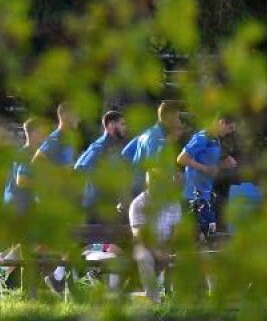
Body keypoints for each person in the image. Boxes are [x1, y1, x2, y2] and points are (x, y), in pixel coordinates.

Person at [0, 117, 48, 289]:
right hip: (18, 206)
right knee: (33, 244)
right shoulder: (27, 153)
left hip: (19, 206)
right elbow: (21, 180)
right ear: (34, 133)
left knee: (24, 246)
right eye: (43, 132)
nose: (45, 135)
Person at [33, 103, 82, 293]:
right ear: (66, 115)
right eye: (76, 114)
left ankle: (59, 278)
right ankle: (58, 278)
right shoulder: (55, 139)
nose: (79, 119)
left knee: (50, 244)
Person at [177, 115, 238, 241]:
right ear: (221, 122)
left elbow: (208, 164)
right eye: (230, 128)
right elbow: (182, 158)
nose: (230, 132)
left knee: (209, 235)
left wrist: (222, 164)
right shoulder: (202, 137)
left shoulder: (215, 140)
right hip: (193, 196)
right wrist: (204, 169)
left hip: (206, 195)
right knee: (197, 237)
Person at [129, 167, 184, 303]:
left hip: (167, 245)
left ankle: (181, 301)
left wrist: (168, 250)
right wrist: (156, 252)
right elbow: (139, 236)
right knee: (144, 258)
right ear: (148, 183)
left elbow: (176, 231)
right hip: (145, 246)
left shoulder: (173, 202)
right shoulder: (138, 204)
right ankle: (155, 301)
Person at [74, 109, 131, 221]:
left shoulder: (114, 147)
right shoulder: (100, 146)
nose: (125, 128)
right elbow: (80, 168)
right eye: (122, 124)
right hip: (94, 209)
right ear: (111, 125)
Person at [122, 100, 182, 192]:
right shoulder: (157, 138)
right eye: (178, 117)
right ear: (169, 118)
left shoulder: (147, 132)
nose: (179, 121)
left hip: (136, 185)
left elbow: (125, 153)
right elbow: (155, 168)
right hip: (146, 190)